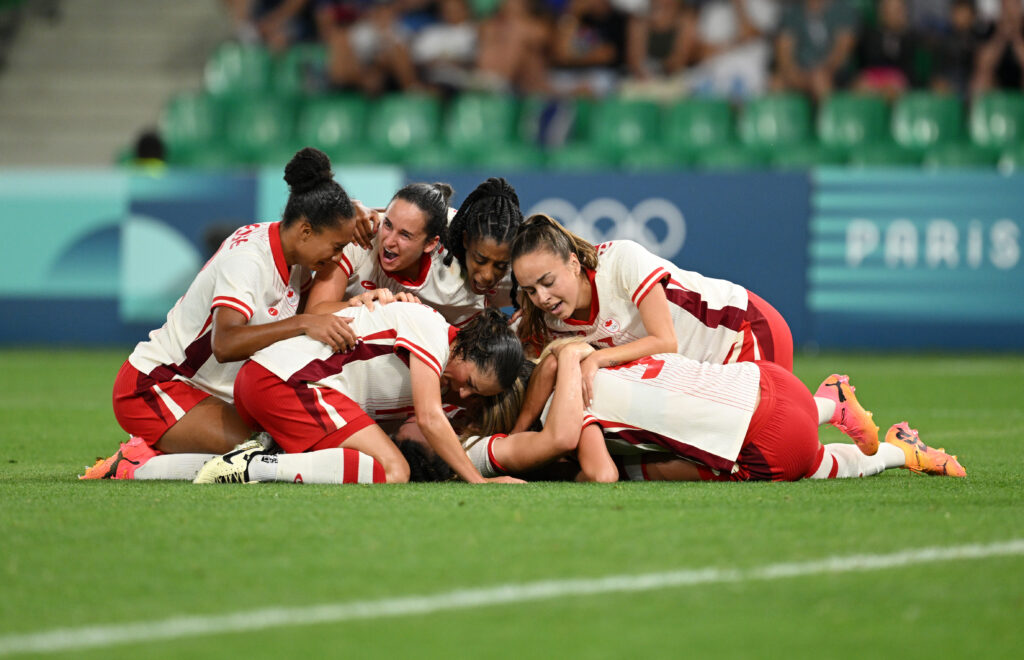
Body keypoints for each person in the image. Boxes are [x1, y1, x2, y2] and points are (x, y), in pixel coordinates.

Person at [81, 147, 361, 480]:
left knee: (290, 439)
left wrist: (370, 214)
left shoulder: (295, 252)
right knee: (266, 453)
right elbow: (225, 343)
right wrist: (303, 322)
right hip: (157, 386)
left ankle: (159, 447)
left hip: (208, 392)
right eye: (336, 246)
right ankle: (136, 462)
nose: (337, 257)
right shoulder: (249, 260)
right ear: (305, 231)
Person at [508, 213, 863, 435]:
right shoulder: (542, 319)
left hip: (743, 331)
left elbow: (665, 342)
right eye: (530, 289)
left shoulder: (620, 261)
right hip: (702, 373)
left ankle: (833, 403)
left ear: (572, 263)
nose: (542, 297)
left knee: (767, 439)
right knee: (730, 447)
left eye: (547, 281)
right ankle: (832, 405)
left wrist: (597, 359)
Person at [462, 339, 967, 484]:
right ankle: (828, 402)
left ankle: (899, 453)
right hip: (767, 378)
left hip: (768, 438)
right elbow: (561, 356)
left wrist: (558, 469)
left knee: (808, 466)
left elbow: (601, 476)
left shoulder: (569, 413)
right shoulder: (596, 354)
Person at [192, 306, 526, 485]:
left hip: (268, 383)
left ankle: (146, 465)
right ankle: (255, 467)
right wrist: (477, 481)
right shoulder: (433, 332)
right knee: (393, 470)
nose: (463, 392)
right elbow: (429, 417)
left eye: (474, 394)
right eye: (470, 382)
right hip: (286, 384)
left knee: (366, 462)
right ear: (467, 348)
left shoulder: (440, 361)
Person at [308, 180, 519, 326]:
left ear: (430, 243)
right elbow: (313, 313)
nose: (389, 242)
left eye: (405, 235)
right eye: (388, 225)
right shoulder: (361, 237)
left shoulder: (464, 270)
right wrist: (351, 208)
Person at [773, 0, 859, 101]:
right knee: (776, 83)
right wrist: (795, 74)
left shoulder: (844, 10)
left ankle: (830, 116)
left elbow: (841, 52)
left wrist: (818, 72)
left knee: (820, 79)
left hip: (835, 74)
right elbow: (784, 53)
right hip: (801, 72)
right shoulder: (791, 12)